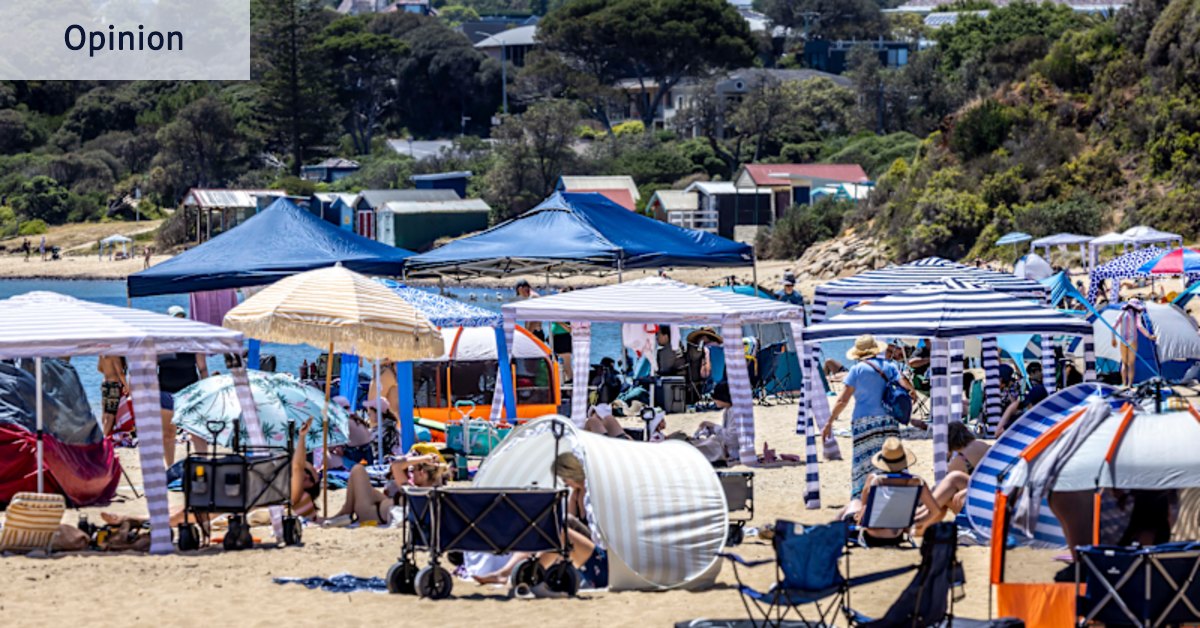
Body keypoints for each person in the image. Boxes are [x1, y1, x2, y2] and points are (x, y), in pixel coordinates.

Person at [473, 453, 607, 589]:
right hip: (587, 548)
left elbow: (600, 532)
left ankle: (531, 573)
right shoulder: (577, 493)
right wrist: (573, 499)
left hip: (600, 554)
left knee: (557, 534)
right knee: (545, 529)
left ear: (571, 473)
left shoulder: (593, 492)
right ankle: (505, 572)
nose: (564, 482)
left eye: (564, 478)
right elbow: (568, 518)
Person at [823, 334, 918, 501]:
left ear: (858, 354)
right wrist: (913, 394)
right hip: (888, 419)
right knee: (891, 458)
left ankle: (863, 497)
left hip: (863, 421)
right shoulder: (889, 366)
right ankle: (895, 493)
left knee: (863, 461)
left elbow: (843, 400)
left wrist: (830, 421)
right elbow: (907, 386)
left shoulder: (856, 370)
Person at [856, 438, 971, 545]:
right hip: (897, 536)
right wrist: (915, 524)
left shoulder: (874, 480)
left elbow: (864, 507)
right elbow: (935, 511)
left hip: (872, 535)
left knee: (854, 505)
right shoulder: (916, 481)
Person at [325, 452, 446, 527]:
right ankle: (345, 512)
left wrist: (422, 458)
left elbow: (396, 466)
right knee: (364, 481)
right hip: (382, 504)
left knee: (357, 470)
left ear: (422, 473)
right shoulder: (431, 492)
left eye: (413, 471)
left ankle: (346, 512)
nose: (412, 474)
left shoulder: (413, 491)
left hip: (371, 512)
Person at [158, 306, 209, 467]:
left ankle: (203, 466)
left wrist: (205, 390)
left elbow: (202, 368)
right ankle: (170, 468)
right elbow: (150, 368)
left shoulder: (193, 341)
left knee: (196, 432)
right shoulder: (159, 344)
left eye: (181, 318)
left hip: (190, 393)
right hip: (165, 392)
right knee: (168, 433)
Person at [1114, 299, 1155, 387]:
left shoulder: (1122, 313)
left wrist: (1113, 339)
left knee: (1124, 363)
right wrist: (1149, 336)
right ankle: (1129, 384)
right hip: (1133, 340)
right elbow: (1140, 326)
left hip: (1123, 340)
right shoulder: (1136, 315)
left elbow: (1114, 326)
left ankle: (1124, 383)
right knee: (1131, 364)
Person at [97, 355, 128, 436]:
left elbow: (99, 368)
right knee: (111, 413)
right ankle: (105, 437)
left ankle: (104, 433)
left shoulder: (102, 355)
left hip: (104, 383)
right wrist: (127, 387)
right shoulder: (115, 356)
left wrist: (108, 370)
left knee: (105, 412)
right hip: (113, 384)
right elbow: (121, 373)